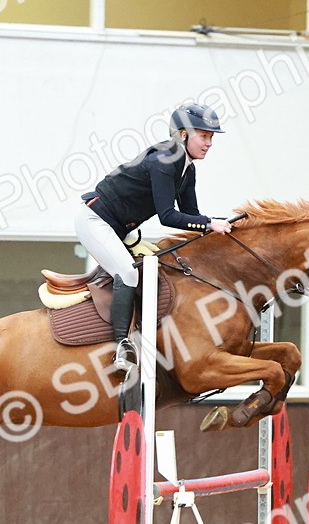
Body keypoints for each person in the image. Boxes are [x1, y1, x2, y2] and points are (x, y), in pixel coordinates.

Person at [75, 102, 233, 372]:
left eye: (211, 138)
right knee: (128, 273)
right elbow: (168, 217)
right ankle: (121, 348)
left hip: (119, 228)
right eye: (204, 136)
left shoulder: (187, 169)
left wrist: (223, 225)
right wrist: (210, 224)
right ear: (183, 134)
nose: (209, 143)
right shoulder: (164, 161)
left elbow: (192, 216)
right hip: (96, 222)